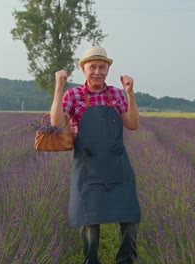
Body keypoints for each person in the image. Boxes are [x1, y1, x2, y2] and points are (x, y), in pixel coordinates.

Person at [50, 46, 141, 263]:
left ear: (108, 69)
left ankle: (125, 259)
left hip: (117, 164)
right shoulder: (73, 95)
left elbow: (133, 124)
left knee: (130, 214)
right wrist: (59, 87)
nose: (97, 72)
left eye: (102, 67)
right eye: (92, 67)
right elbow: (55, 123)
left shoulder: (117, 95)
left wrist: (130, 93)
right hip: (88, 165)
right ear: (83, 69)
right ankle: (91, 260)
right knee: (89, 216)